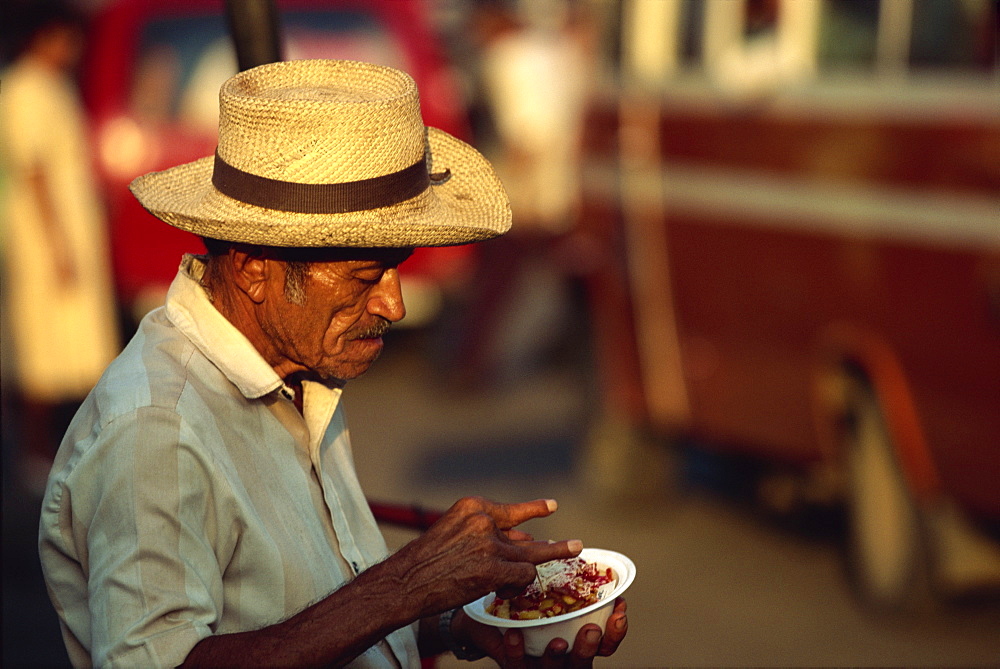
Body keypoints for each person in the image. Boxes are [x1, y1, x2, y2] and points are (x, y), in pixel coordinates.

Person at [38, 58, 628, 667]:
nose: (393, 305)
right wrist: (406, 583)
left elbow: (316, 619)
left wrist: (464, 620)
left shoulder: (300, 373)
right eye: (364, 276)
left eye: (397, 266)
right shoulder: (157, 431)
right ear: (252, 267)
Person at [0, 1, 121, 489]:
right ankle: (33, 452)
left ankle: (68, 448)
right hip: (42, 236)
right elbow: (33, 173)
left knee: (73, 345)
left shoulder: (54, 87)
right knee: (37, 347)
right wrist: (57, 246)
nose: (71, 49)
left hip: (69, 230)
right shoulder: (23, 89)